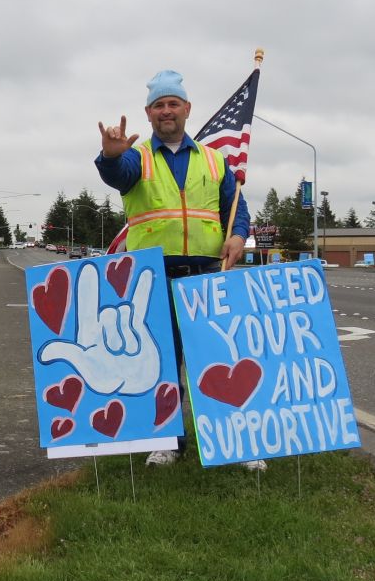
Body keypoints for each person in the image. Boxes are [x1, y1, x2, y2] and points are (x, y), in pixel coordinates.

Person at [96, 69, 266, 471]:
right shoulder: (137, 159)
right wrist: (110, 154)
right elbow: (115, 175)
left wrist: (239, 236)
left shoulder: (214, 160)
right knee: (162, 364)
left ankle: (231, 442)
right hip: (153, 277)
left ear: (187, 109)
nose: (166, 111)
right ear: (148, 113)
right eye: (159, 105)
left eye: (173, 104)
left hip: (206, 274)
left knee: (217, 358)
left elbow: (235, 208)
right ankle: (167, 441)